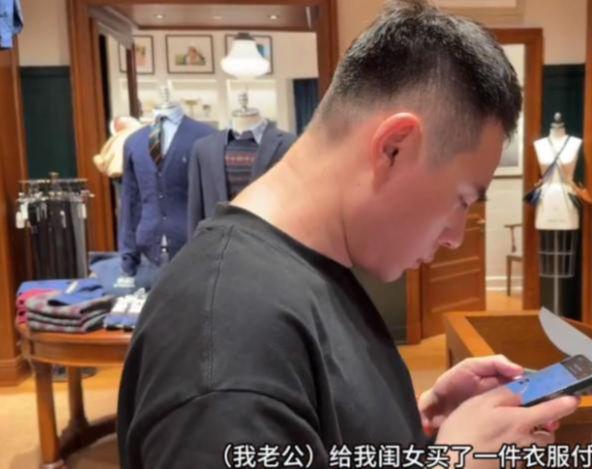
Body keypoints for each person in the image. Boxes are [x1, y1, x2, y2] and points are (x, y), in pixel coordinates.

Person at [117, 1, 580, 468]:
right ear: (394, 147)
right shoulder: (224, 351)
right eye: (461, 199)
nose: (455, 237)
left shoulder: (312, 270)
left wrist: (412, 425)